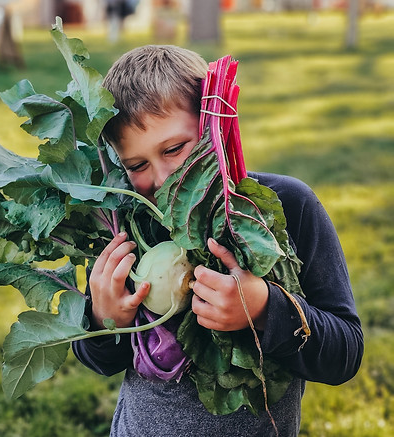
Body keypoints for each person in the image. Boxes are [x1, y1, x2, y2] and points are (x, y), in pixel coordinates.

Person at [72, 45, 364, 436]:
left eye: (175, 149)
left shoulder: (290, 206)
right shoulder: (126, 223)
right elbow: (99, 358)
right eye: (137, 165)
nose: (161, 179)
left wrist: (264, 309)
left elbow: (345, 353)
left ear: (212, 126)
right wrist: (105, 320)